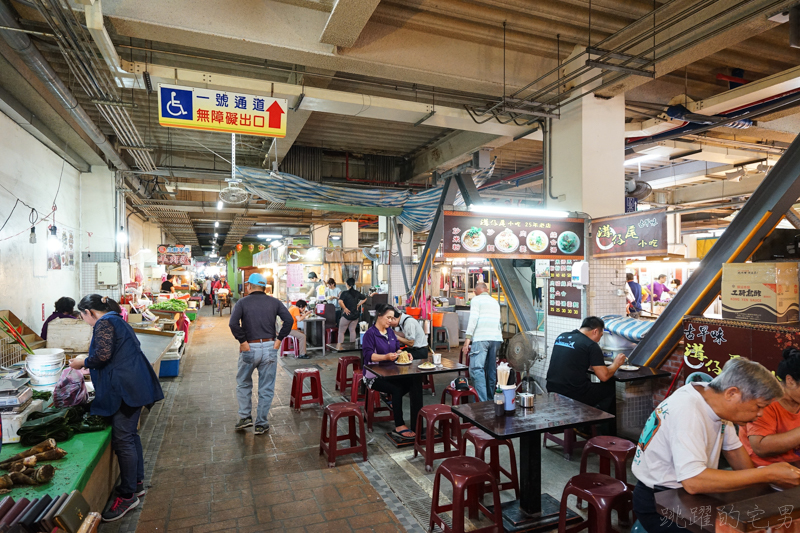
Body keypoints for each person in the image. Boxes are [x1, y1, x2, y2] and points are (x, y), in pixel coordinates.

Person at [632, 358, 800, 533]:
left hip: (689, 495)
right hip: (660, 502)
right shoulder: (688, 410)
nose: (760, 414)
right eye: (758, 406)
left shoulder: (713, 400)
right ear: (732, 394)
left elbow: (735, 452)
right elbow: (694, 482)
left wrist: (768, 484)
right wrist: (767, 473)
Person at [68, 295, 164, 522]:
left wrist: (83, 362)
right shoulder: (116, 319)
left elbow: (101, 355)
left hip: (125, 389)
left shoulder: (104, 323)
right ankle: (137, 484)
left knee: (123, 440)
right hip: (133, 384)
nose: (84, 320)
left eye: (83, 316)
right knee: (130, 436)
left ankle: (128, 495)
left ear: (89, 312)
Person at [229, 273, 293, 435]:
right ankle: (261, 423)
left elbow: (233, 324)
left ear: (249, 286)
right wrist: (278, 341)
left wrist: (243, 342)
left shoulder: (242, 302)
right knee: (266, 387)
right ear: (265, 287)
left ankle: (245, 417)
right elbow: (289, 321)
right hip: (270, 347)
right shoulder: (274, 302)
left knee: (243, 382)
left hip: (250, 347)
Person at [545, 316, 625, 434]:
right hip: (572, 394)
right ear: (595, 331)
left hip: (552, 389)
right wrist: (616, 364)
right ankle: (600, 432)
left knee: (589, 384)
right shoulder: (591, 345)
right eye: (600, 336)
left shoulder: (562, 336)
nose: (599, 339)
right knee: (609, 389)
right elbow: (604, 376)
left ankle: (584, 425)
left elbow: (570, 360)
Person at [361, 304, 423, 440]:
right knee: (396, 389)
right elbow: (368, 355)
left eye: (392, 318)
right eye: (388, 317)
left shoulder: (390, 332)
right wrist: (385, 357)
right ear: (379, 315)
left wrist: (404, 354)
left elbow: (397, 349)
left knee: (416, 381)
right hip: (374, 376)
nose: (390, 321)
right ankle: (399, 425)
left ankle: (417, 422)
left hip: (392, 373)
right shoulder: (370, 334)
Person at [739, 348, 800, 466]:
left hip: (794, 465)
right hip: (762, 470)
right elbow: (760, 447)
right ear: (790, 381)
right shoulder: (765, 401)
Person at [462, 282, 502, 402]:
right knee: (491, 370)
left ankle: (481, 402)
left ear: (475, 292)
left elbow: (473, 319)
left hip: (481, 338)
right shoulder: (495, 302)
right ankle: (490, 400)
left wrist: (467, 340)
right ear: (487, 290)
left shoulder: (476, 300)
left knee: (476, 369)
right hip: (496, 339)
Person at [338, 278, 366, 344]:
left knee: (341, 331)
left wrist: (344, 308)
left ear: (347, 284)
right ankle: (352, 346)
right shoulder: (356, 293)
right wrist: (358, 305)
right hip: (355, 315)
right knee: (352, 330)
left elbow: (340, 301)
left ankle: (339, 346)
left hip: (347, 315)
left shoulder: (344, 293)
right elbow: (365, 298)